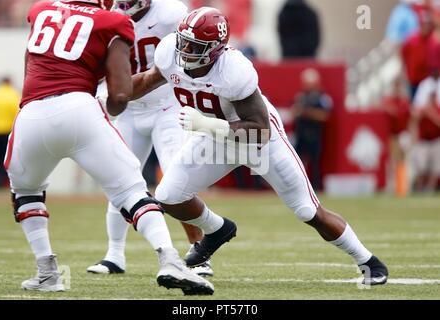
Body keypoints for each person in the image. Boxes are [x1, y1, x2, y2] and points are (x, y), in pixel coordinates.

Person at [131, 7, 389, 285]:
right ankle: (217, 229)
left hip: (258, 141)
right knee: (169, 195)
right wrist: (108, 94)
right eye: (184, 41)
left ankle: (368, 261)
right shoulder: (170, 52)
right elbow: (147, 80)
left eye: (195, 46)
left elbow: (260, 131)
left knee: (308, 211)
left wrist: (207, 125)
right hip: (214, 137)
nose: (185, 49)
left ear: (215, 49)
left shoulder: (233, 70)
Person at [6, 0, 213, 295]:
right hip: (83, 107)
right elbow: (118, 93)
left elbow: (35, 58)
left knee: (25, 191)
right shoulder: (111, 20)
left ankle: (47, 271)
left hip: (32, 112)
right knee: (130, 190)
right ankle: (168, 259)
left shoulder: (40, 9)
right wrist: (107, 111)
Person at [86, 0, 213, 277]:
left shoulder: (172, 13)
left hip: (167, 106)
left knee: (176, 180)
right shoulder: (108, 17)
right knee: (118, 179)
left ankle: (199, 254)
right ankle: (115, 254)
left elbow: (194, 52)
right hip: (129, 110)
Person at [292, 68, 332, 191]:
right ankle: (298, 187)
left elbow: (324, 115)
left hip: (314, 135)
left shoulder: (322, 97)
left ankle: (316, 187)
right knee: (297, 163)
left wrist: (307, 112)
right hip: (301, 134)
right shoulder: (301, 96)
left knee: (315, 163)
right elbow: (294, 112)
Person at [0, 77, 19, 188]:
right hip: (8, 131)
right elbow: (17, 113)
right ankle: (7, 183)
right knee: (8, 157)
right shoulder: (14, 95)